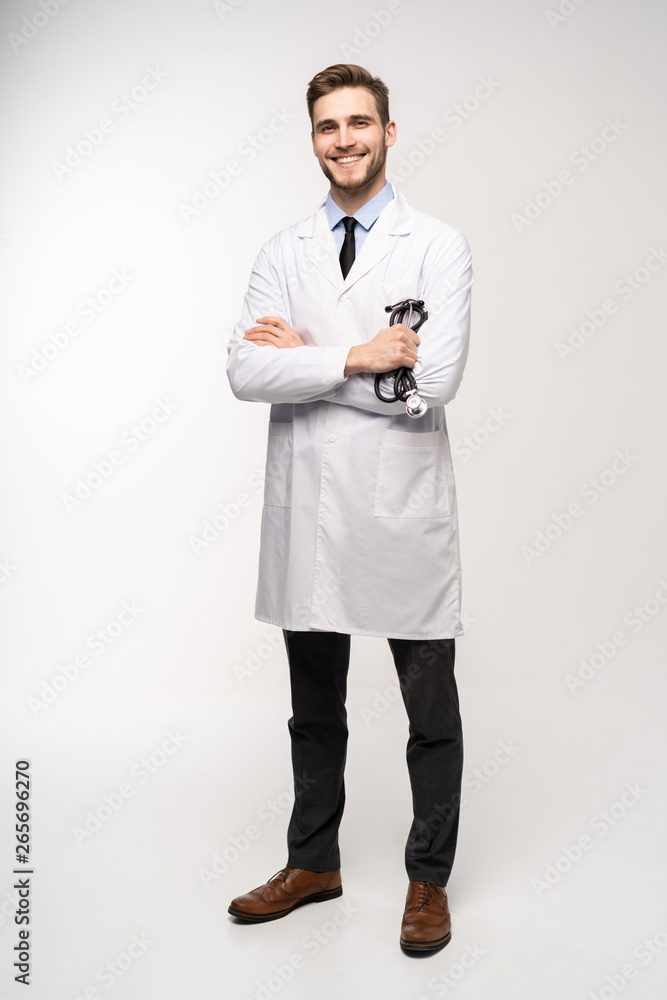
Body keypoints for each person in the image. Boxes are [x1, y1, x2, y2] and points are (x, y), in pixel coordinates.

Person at [225, 63, 473, 954]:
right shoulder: (281, 250)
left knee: (428, 714)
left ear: (388, 132)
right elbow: (244, 371)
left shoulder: (436, 246)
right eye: (328, 127)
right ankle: (312, 863)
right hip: (310, 510)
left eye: (359, 123)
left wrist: (308, 360)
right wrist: (358, 356)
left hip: (399, 507)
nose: (344, 140)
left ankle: (427, 880)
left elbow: (434, 381)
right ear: (313, 140)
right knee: (313, 709)